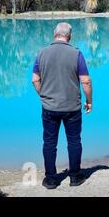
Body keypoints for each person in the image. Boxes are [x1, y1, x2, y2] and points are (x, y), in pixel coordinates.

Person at [32, 22, 93, 189]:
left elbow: (35, 79)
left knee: (50, 142)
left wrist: (44, 95)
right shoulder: (76, 53)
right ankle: (74, 176)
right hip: (72, 107)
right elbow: (86, 81)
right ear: (70, 35)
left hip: (49, 107)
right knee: (74, 141)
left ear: (54, 34)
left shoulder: (42, 53)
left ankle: (51, 179)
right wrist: (89, 100)